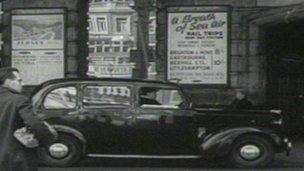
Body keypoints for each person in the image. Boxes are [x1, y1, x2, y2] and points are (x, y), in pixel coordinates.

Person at [0, 67, 57, 171]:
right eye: (19, 80)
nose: (23, 84)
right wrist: (48, 139)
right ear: (7, 81)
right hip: (16, 159)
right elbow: (35, 124)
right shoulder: (19, 100)